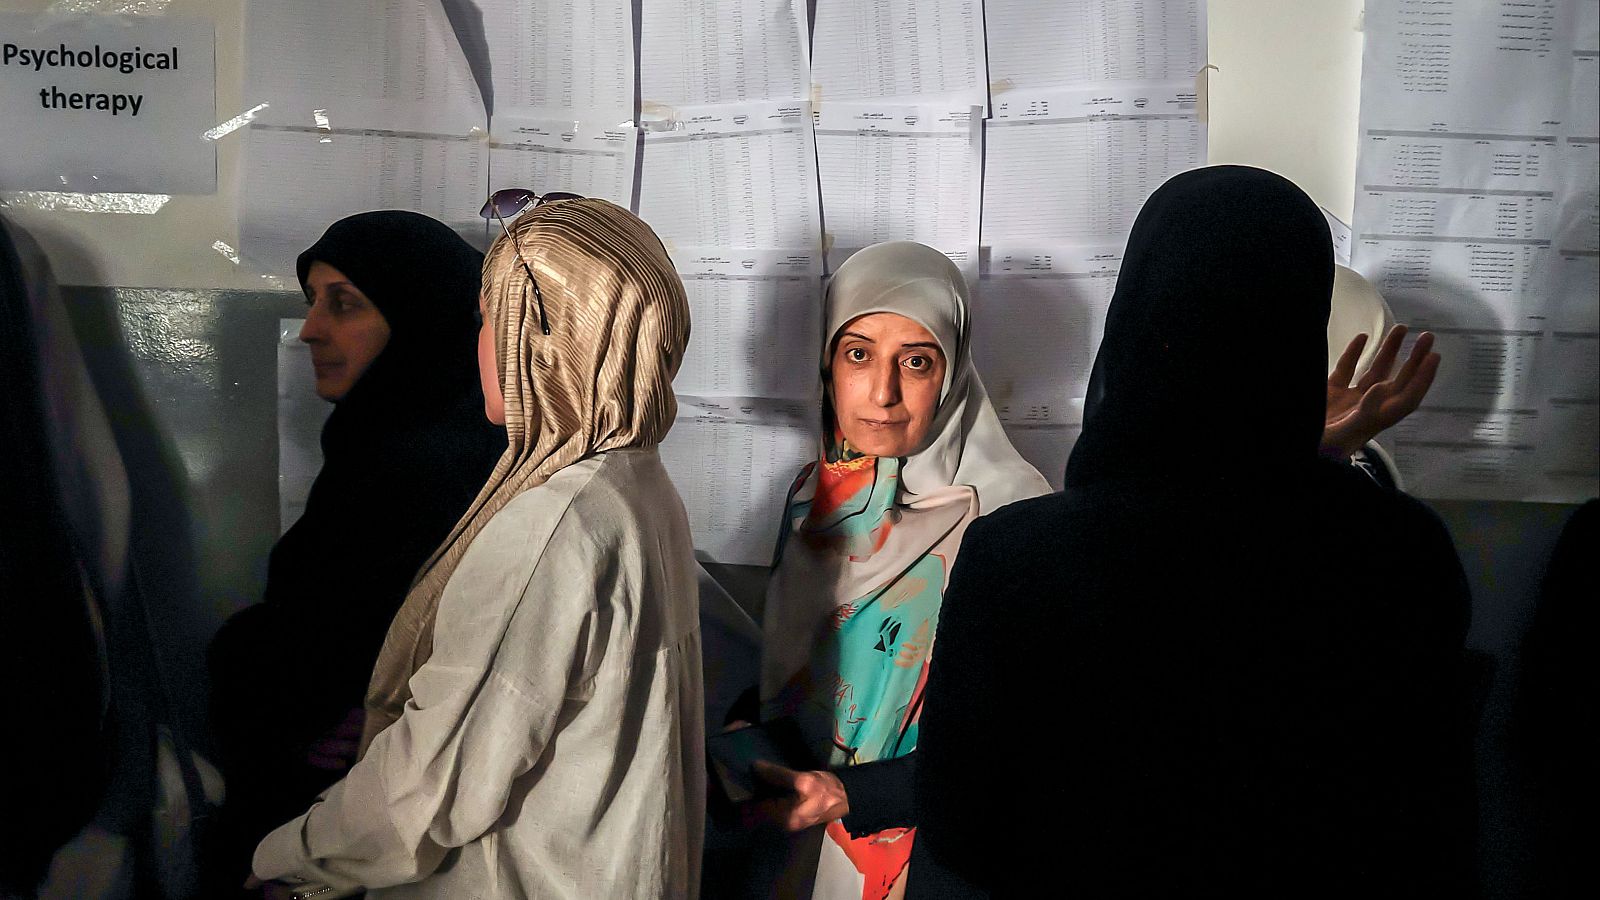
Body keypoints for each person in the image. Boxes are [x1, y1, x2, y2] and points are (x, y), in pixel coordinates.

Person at [911, 166, 1474, 896]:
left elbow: (960, 827)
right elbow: (1427, 820)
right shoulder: (1404, 553)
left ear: (1136, 320)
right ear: (1299, 330)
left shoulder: (1016, 558)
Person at [248, 197, 706, 898]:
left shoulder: (552, 522)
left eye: (493, 317)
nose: (480, 341)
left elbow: (423, 795)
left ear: (546, 335)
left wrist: (284, 858)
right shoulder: (634, 480)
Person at [733, 241, 1053, 899]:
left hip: (935, 859)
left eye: (915, 362)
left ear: (954, 370)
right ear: (828, 362)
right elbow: (801, 661)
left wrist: (854, 791)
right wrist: (748, 724)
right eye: (858, 354)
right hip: (796, 838)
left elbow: (1028, 739)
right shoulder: (811, 497)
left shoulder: (1018, 517)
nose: (882, 393)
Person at [206, 211, 506, 890]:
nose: (312, 329)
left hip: (364, 831)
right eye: (314, 302)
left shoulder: (418, 467)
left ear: (421, 317)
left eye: (344, 304)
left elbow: (331, 661)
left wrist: (253, 673)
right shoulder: (389, 446)